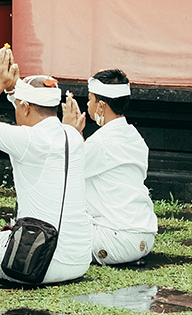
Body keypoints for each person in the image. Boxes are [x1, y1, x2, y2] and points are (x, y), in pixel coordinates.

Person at [0, 45, 90, 284]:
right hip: (78, 262)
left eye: (19, 105)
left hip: (34, 267)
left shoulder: (26, 139)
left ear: (24, 107)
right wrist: (14, 91)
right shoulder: (73, 135)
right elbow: (33, 107)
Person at [61, 69, 158, 265]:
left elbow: (63, 171)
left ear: (102, 105)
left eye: (90, 100)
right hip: (144, 239)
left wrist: (68, 131)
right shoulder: (134, 137)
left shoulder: (101, 142)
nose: (87, 105)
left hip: (114, 242)